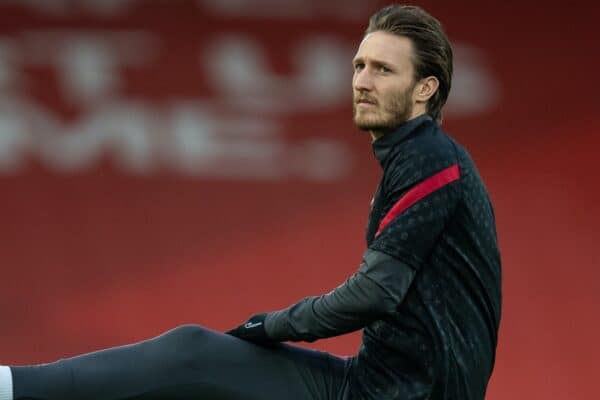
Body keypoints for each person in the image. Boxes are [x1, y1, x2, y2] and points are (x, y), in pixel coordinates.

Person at [0, 4, 501, 400]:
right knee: (193, 354)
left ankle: (10, 387)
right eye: (360, 65)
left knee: (191, 357)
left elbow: (374, 293)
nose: (362, 81)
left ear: (425, 89)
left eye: (383, 70)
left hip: (391, 394)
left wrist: (273, 325)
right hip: (375, 385)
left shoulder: (430, 157)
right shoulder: (420, 158)